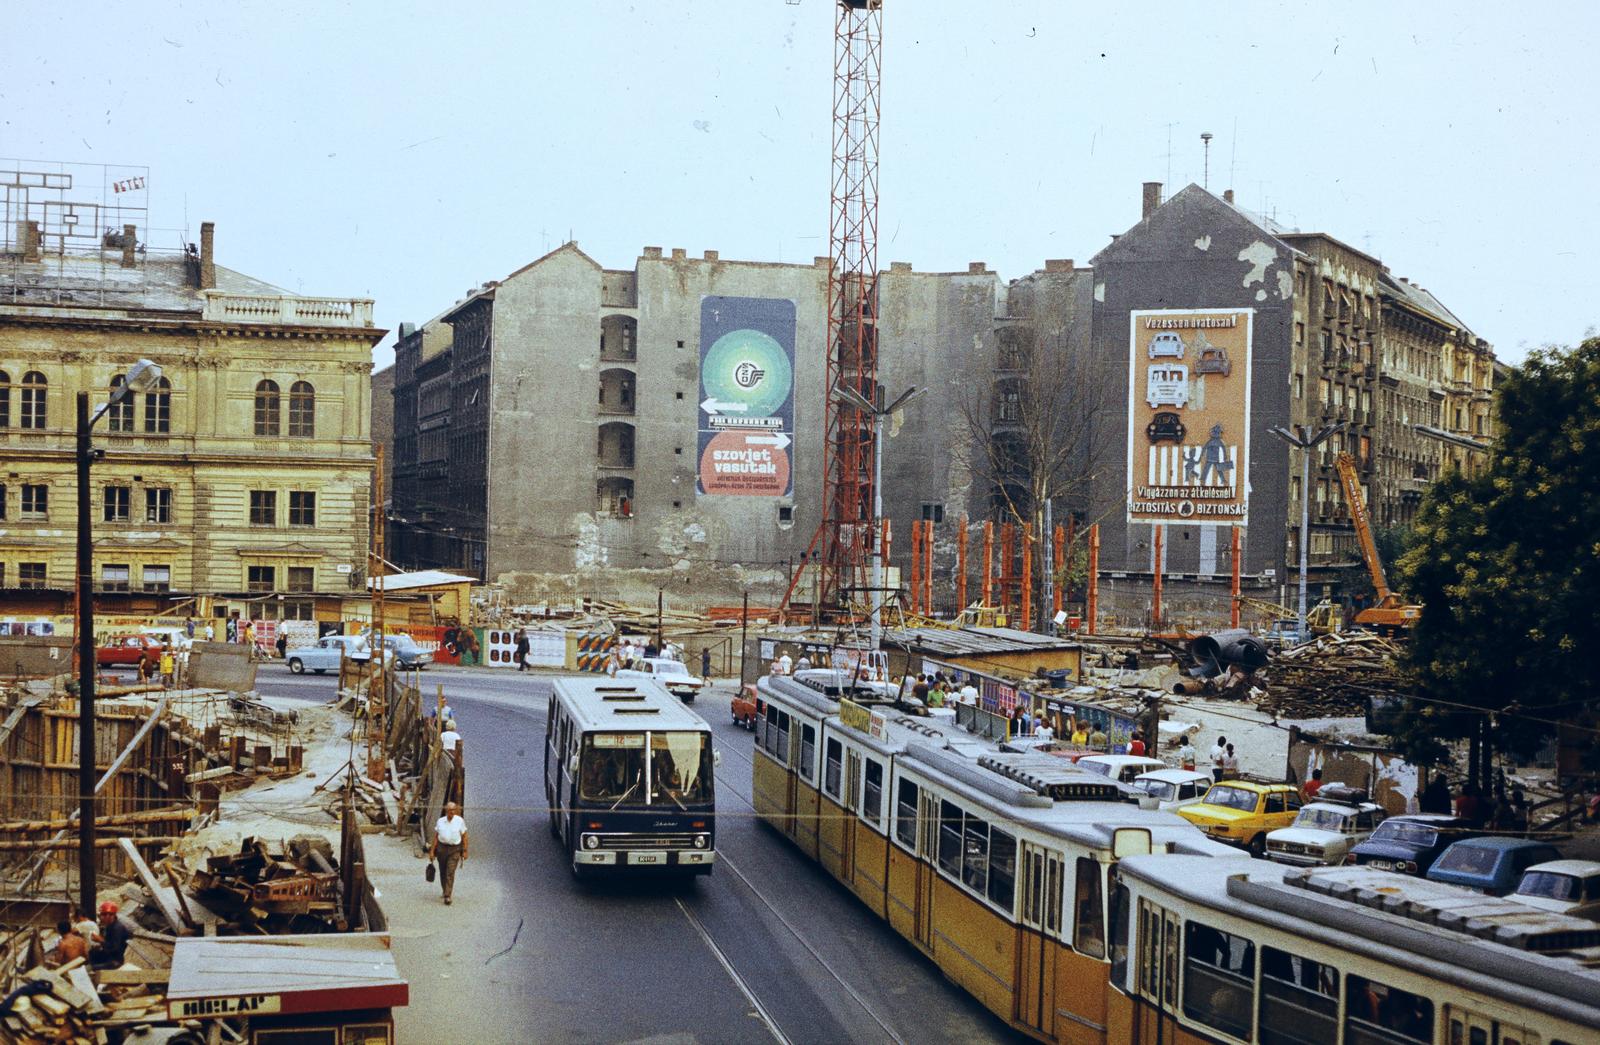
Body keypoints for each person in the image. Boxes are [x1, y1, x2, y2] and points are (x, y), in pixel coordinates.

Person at [429, 801, 469, 905]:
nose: (452, 812)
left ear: (455, 810)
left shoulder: (459, 821)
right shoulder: (440, 821)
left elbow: (464, 836)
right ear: (446, 811)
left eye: (453, 810)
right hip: (442, 848)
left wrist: (465, 851)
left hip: (455, 849)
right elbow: (436, 837)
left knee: (450, 871)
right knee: (443, 871)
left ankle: (447, 895)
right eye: (449, 810)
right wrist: (432, 851)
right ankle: (444, 889)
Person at [88, 902, 130, 970]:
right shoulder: (110, 926)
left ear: (108, 915)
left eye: (102, 915)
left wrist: (100, 940)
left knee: (92, 968)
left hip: (115, 960)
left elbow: (114, 948)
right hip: (110, 956)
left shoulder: (117, 928)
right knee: (92, 952)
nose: (101, 917)